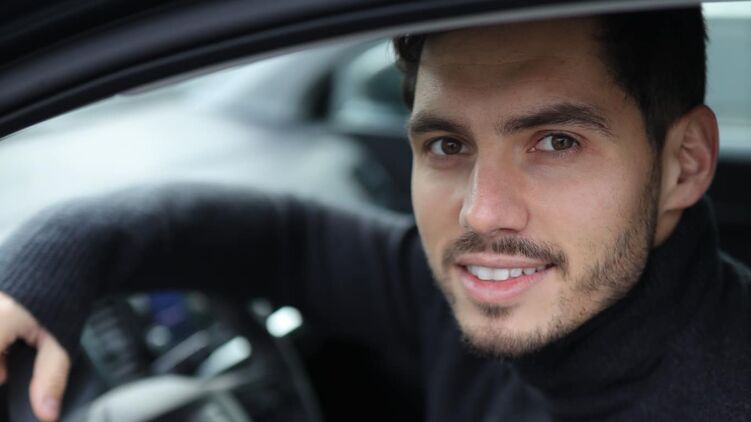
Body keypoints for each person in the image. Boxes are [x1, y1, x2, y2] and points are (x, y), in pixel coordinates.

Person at [1, 6, 748, 421]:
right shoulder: (485, 297)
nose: (482, 212)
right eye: (448, 145)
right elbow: (287, 240)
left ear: (683, 163)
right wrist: (53, 260)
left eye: (556, 142)